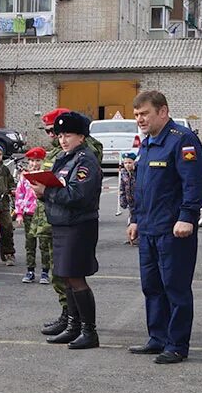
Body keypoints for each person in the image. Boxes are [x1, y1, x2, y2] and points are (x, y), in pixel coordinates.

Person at [127, 90, 202, 364]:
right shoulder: (148, 142)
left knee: (175, 288)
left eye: (144, 113)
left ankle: (176, 345)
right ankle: (158, 338)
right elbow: (143, 187)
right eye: (137, 114)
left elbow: (194, 183)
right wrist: (135, 219)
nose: (139, 119)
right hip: (149, 228)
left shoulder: (182, 140)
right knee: (151, 286)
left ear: (163, 112)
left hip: (174, 229)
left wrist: (187, 216)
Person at [30, 112, 102, 349]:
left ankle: (89, 332)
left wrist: (46, 192)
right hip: (63, 224)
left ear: (81, 136)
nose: (63, 140)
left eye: (68, 135)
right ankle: (73, 326)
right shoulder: (66, 157)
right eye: (60, 135)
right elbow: (58, 187)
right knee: (66, 277)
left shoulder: (85, 160)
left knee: (76, 278)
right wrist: (42, 192)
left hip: (78, 225)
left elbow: (78, 195)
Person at [14, 146, 51, 283]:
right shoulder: (24, 177)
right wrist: (18, 213)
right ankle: (30, 271)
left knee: (44, 243)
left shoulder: (46, 175)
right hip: (28, 214)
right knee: (30, 243)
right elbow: (19, 195)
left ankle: (45, 272)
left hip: (43, 214)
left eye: (37, 161)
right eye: (31, 161)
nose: (34, 164)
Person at [117, 151, 138, 227]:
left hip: (138, 201)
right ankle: (132, 237)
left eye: (130, 163)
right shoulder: (124, 173)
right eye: (125, 163)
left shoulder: (138, 172)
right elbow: (122, 188)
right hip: (130, 201)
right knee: (131, 220)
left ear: (134, 162)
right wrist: (123, 200)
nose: (127, 165)